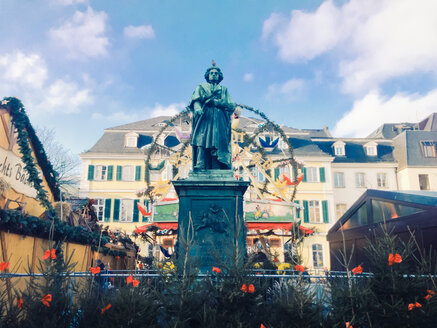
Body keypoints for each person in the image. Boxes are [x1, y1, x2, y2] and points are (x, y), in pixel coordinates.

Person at [188, 62, 236, 170]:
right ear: (208, 75)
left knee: (217, 141)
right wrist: (197, 108)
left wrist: (217, 103)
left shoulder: (224, 90)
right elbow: (196, 100)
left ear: (219, 76)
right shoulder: (201, 87)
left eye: (215, 73)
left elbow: (232, 105)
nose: (213, 74)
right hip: (205, 116)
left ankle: (217, 165)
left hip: (219, 119)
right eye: (211, 73)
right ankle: (200, 163)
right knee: (201, 138)